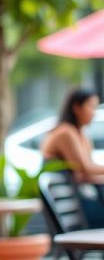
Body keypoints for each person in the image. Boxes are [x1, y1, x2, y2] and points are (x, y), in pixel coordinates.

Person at [40, 87, 104, 226]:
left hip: (78, 201)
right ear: (76, 107)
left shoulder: (81, 134)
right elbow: (86, 169)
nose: (94, 113)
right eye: (91, 107)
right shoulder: (66, 132)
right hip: (75, 208)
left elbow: (86, 173)